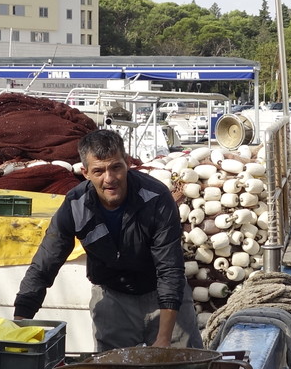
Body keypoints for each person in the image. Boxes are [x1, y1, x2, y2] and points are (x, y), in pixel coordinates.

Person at [14, 128, 200, 350]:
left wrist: (164, 339)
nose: (109, 179)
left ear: (127, 163)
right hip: (113, 297)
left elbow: (170, 269)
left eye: (116, 167)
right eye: (99, 171)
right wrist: (20, 322)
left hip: (163, 297)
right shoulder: (75, 205)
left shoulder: (156, 198)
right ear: (85, 173)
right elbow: (44, 265)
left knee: (182, 364)